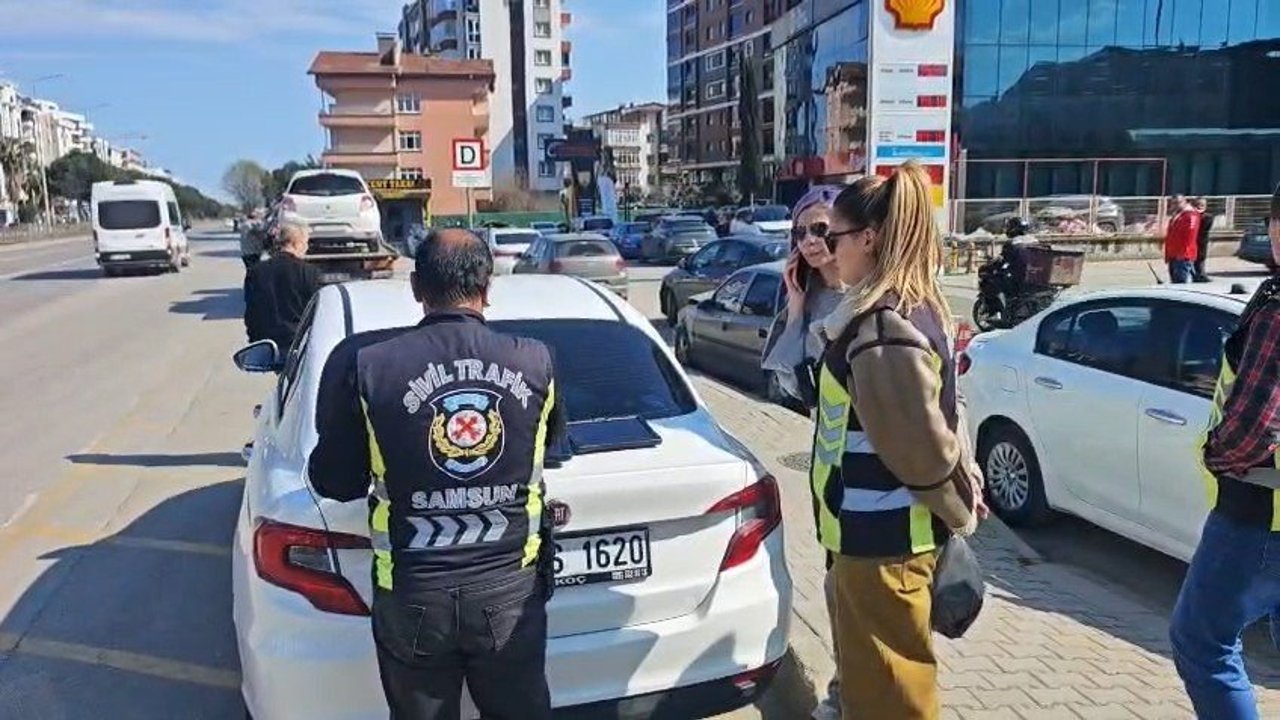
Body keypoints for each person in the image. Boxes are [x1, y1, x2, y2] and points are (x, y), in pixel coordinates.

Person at [308, 228, 563, 720]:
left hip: (413, 593)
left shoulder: (370, 368)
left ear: (416, 288)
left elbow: (333, 481)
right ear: (487, 287)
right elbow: (550, 446)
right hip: (510, 590)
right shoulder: (536, 362)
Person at [815, 161, 985, 720]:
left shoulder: (884, 328)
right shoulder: (897, 312)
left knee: (891, 703)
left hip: (882, 546)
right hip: (876, 539)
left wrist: (960, 510)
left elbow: (921, 453)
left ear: (867, 239)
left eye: (833, 237)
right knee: (882, 694)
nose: (828, 251)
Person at [1169, 183, 1280, 720]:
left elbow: (1254, 427)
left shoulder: (1276, 310)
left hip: (1258, 514)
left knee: (1201, 642)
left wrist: (1217, 455)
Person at [759, 184, 844, 720]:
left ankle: (858, 692)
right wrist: (795, 310)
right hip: (831, 468)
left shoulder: (876, 294)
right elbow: (789, 385)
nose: (810, 241)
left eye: (821, 229)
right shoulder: (809, 297)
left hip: (882, 467)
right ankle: (844, 690)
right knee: (837, 585)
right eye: (800, 232)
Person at [242, 221, 322, 354]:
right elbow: (318, 312)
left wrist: (255, 340)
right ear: (296, 243)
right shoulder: (309, 272)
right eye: (306, 243)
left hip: (265, 344)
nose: (307, 248)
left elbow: (251, 312)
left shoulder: (256, 272)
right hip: (298, 345)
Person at [1165, 194, 1201, 284]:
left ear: (1185, 202)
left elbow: (1190, 236)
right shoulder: (1177, 215)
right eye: (1173, 203)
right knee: (1175, 283)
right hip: (1174, 254)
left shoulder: (1191, 215)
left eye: (1178, 203)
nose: (1175, 205)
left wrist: (1183, 253)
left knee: (1181, 283)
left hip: (1183, 256)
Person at [1193, 197, 1214, 282]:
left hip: (1201, 241)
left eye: (1202, 205)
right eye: (1197, 204)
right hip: (1191, 241)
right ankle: (1195, 274)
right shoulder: (1191, 215)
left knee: (1200, 258)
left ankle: (1201, 274)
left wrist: (1198, 214)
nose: (1200, 206)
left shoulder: (1207, 217)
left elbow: (1204, 227)